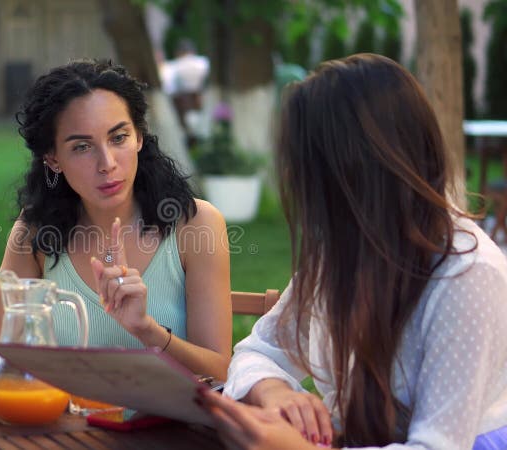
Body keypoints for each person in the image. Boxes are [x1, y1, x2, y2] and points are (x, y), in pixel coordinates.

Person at [196, 53, 507, 449]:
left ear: (350, 172)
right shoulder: (344, 253)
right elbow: (257, 350)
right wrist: (274, 391)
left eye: (308, 172)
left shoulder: (467, 276)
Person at [0, 59, 232, 379]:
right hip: (64, 429)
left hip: (168, 432)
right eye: (82, 147)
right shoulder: (36, 233)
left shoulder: (196, 224)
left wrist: (147, 329)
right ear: (53, 158)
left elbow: (218, 369)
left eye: (118, 138)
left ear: (140, 137)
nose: (107, 163)